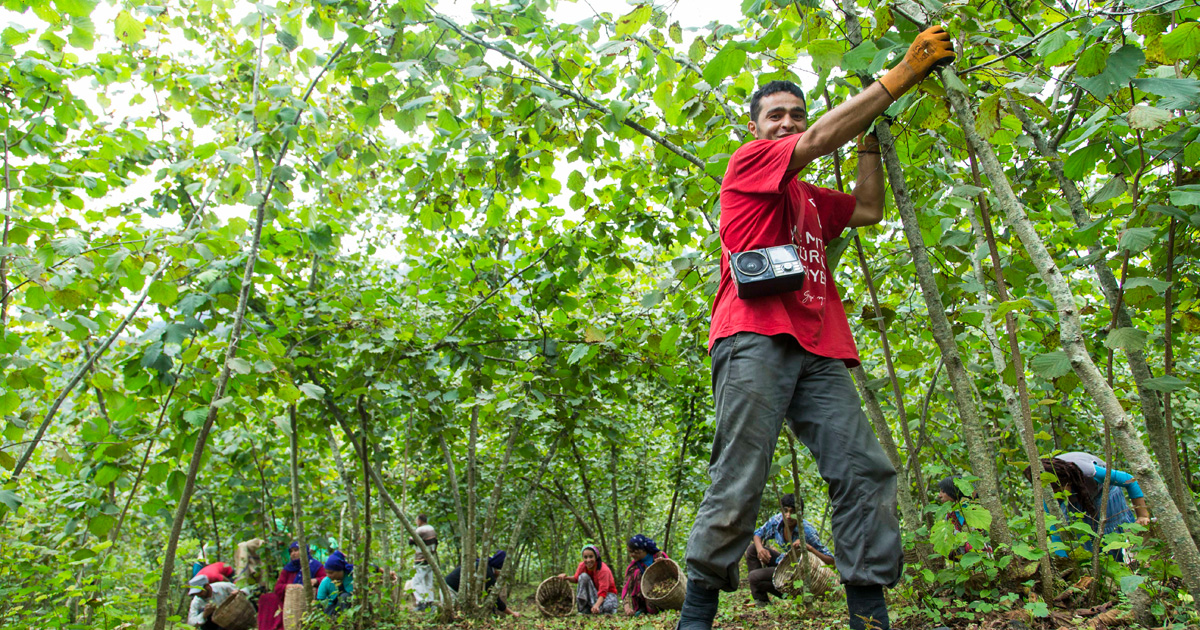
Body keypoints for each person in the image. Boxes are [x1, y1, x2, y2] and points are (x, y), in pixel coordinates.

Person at [676, 25, 956, 630]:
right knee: (741, 472)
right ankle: (696, 612)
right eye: (775, 115)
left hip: (819, 349)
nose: (786, 124)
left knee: (864, 469)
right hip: (752, 336)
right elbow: (824, 134)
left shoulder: (808, 197)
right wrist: (899, 77)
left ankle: (867, 610)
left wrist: (871, 148)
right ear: (755, 128)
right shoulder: (750, 165)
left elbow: (867, 210)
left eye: (795, 116)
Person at [1033, 453, 1151, 562]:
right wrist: (1063, 560)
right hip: (1077, 499)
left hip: (1104, 492)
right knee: (1084, 534)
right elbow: (1055, 530)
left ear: (1067, 483)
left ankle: (1123, 563)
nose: (1056, 496)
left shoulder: (1089, 472)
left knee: (1112, 531)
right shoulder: (1048, 493)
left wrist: (1142, 515)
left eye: (1058, 491)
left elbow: (1129, 480)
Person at [745, 494, 835, 606]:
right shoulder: (777, 520)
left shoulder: (807, 531)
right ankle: (761, 600)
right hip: (784, 561)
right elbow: (758, 534)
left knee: (754, 577)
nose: (788, 516)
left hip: (797, 573)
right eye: (785, 511)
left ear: (800, 514)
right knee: (752, 549)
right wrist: (760, 549)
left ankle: (788, 594)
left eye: (793, 512)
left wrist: (809, 548)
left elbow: (831, 561)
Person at [256, 542, 327, 630]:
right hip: (288, 600)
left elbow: (326, 579)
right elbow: (278, 587)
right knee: (267, 598)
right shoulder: (288, 568)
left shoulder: (315, 566)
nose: (293, 553)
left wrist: (315, 581)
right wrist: (288, 586)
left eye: (296, 550)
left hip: (309, 599)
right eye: (291, 551)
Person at [444, 550, 519, 617]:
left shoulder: (484, 566)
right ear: (498, 570)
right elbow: (495, 599)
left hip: (457, 590)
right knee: (452, 616)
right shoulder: (487, 573)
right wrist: (513, 614)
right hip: (451, 589)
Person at [558, 544, 618, 615]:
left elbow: (603, 591)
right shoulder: (582, 566)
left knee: (608, 607)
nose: (588, 560)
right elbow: (576, 579)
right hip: (594, 594)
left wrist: (596, 605)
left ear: (596, 557)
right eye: (585, 557)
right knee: (583, 576)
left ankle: (598, 608)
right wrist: (565, 577)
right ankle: (583, 609)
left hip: (607, 595)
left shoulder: (603, 569)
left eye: (591, 557)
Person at [621, 535, 669, 616]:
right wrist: (627, 607)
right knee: (637, 573)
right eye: (630, 552)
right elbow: (626, 587)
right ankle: (643, 608)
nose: (631, 555)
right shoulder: (633, 567)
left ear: (641, 550)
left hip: (663, 593)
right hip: (645, 598)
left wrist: (662, 564)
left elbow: (672, 571)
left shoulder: (659, 556)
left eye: (633, 552)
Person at [410, 514, 439, 610]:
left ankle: (421, 602)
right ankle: (430, 602)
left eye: (416, 520)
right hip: (430, 559)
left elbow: (410, 541)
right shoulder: (432, 528)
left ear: (420, 521)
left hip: (421, 560)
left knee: (415, 582)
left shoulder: (420, 530)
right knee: (428, 582)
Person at [317, 550, 354, 615]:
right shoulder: (326, 582)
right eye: (327, 572)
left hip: (351, 607)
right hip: (331, 609)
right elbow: (319, 602)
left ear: (340, 570)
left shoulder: (351, 576)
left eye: (331, 573)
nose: (328, 575)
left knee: (344, 596)